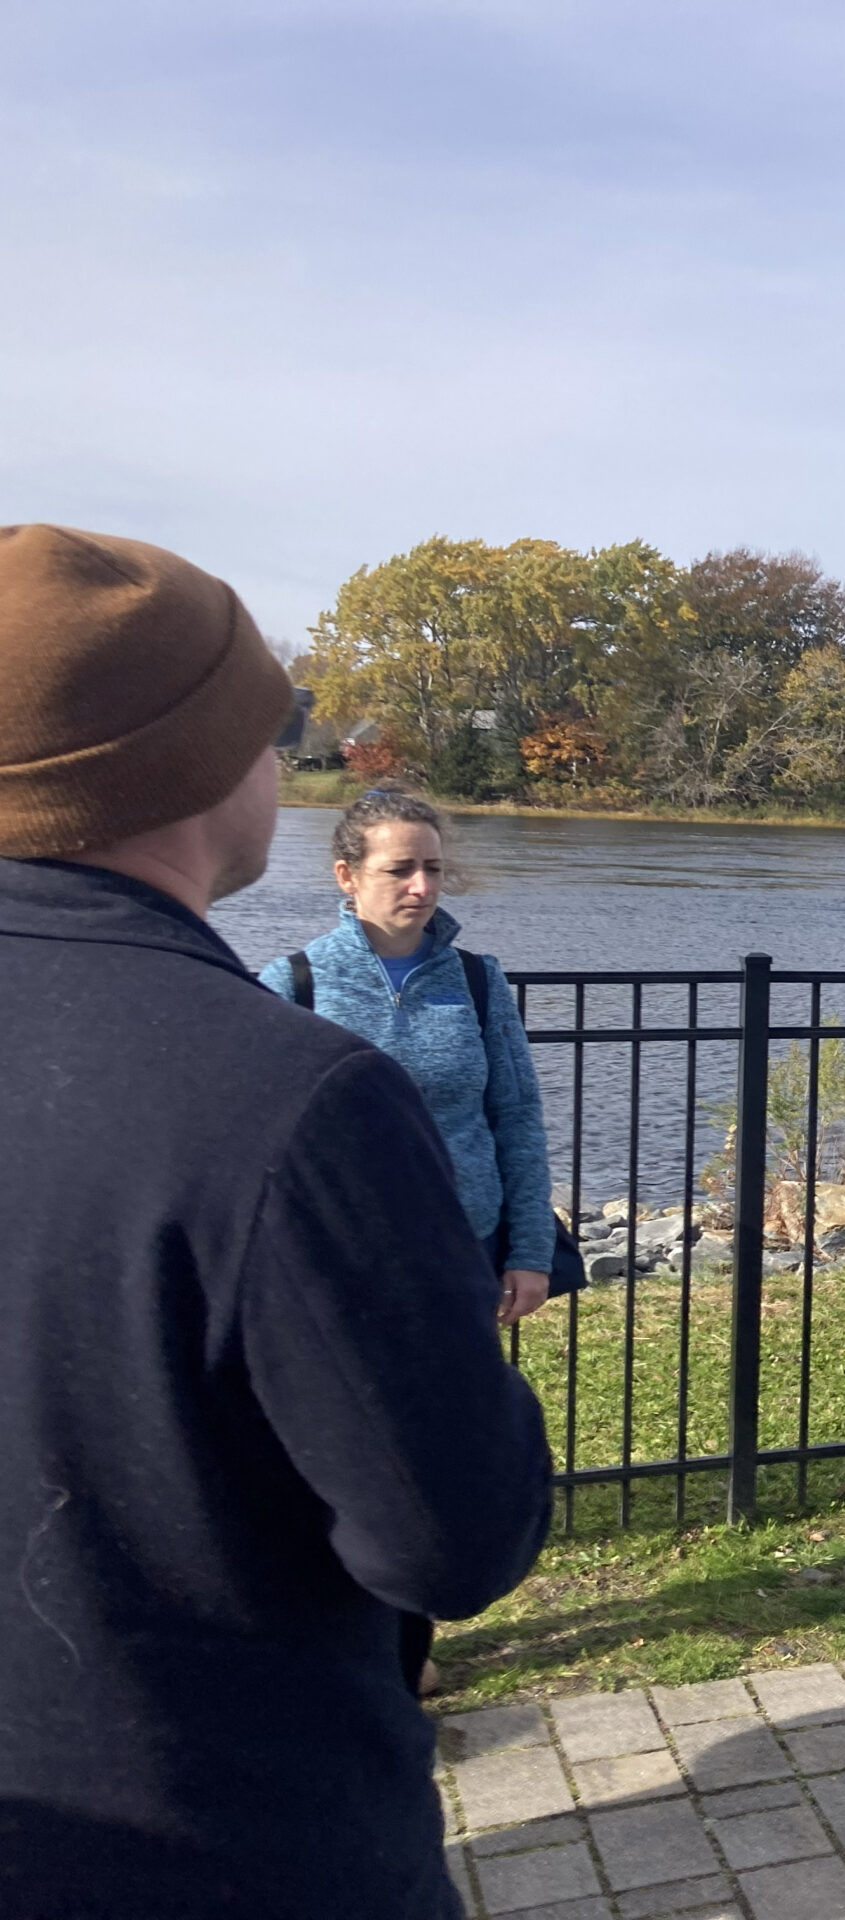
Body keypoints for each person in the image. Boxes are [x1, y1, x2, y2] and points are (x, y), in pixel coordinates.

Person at [0, 525, 552, 1918]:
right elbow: (454, 1540)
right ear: (188, 764)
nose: (283, 773)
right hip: (212, 1834)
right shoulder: (283, 1092)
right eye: (272, 737)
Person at [256, 787, 565, 1694]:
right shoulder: (296, 984)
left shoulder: (477, 980)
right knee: (344, 1444)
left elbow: (517, 1117)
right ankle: (356, 1632)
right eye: (399, 869)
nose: (421, 886)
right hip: (340, 1256)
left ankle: (413, 1635)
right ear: (347, 877)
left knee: (434, 1444)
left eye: (432, 867)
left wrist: (530, 1251)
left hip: (459, 1250)